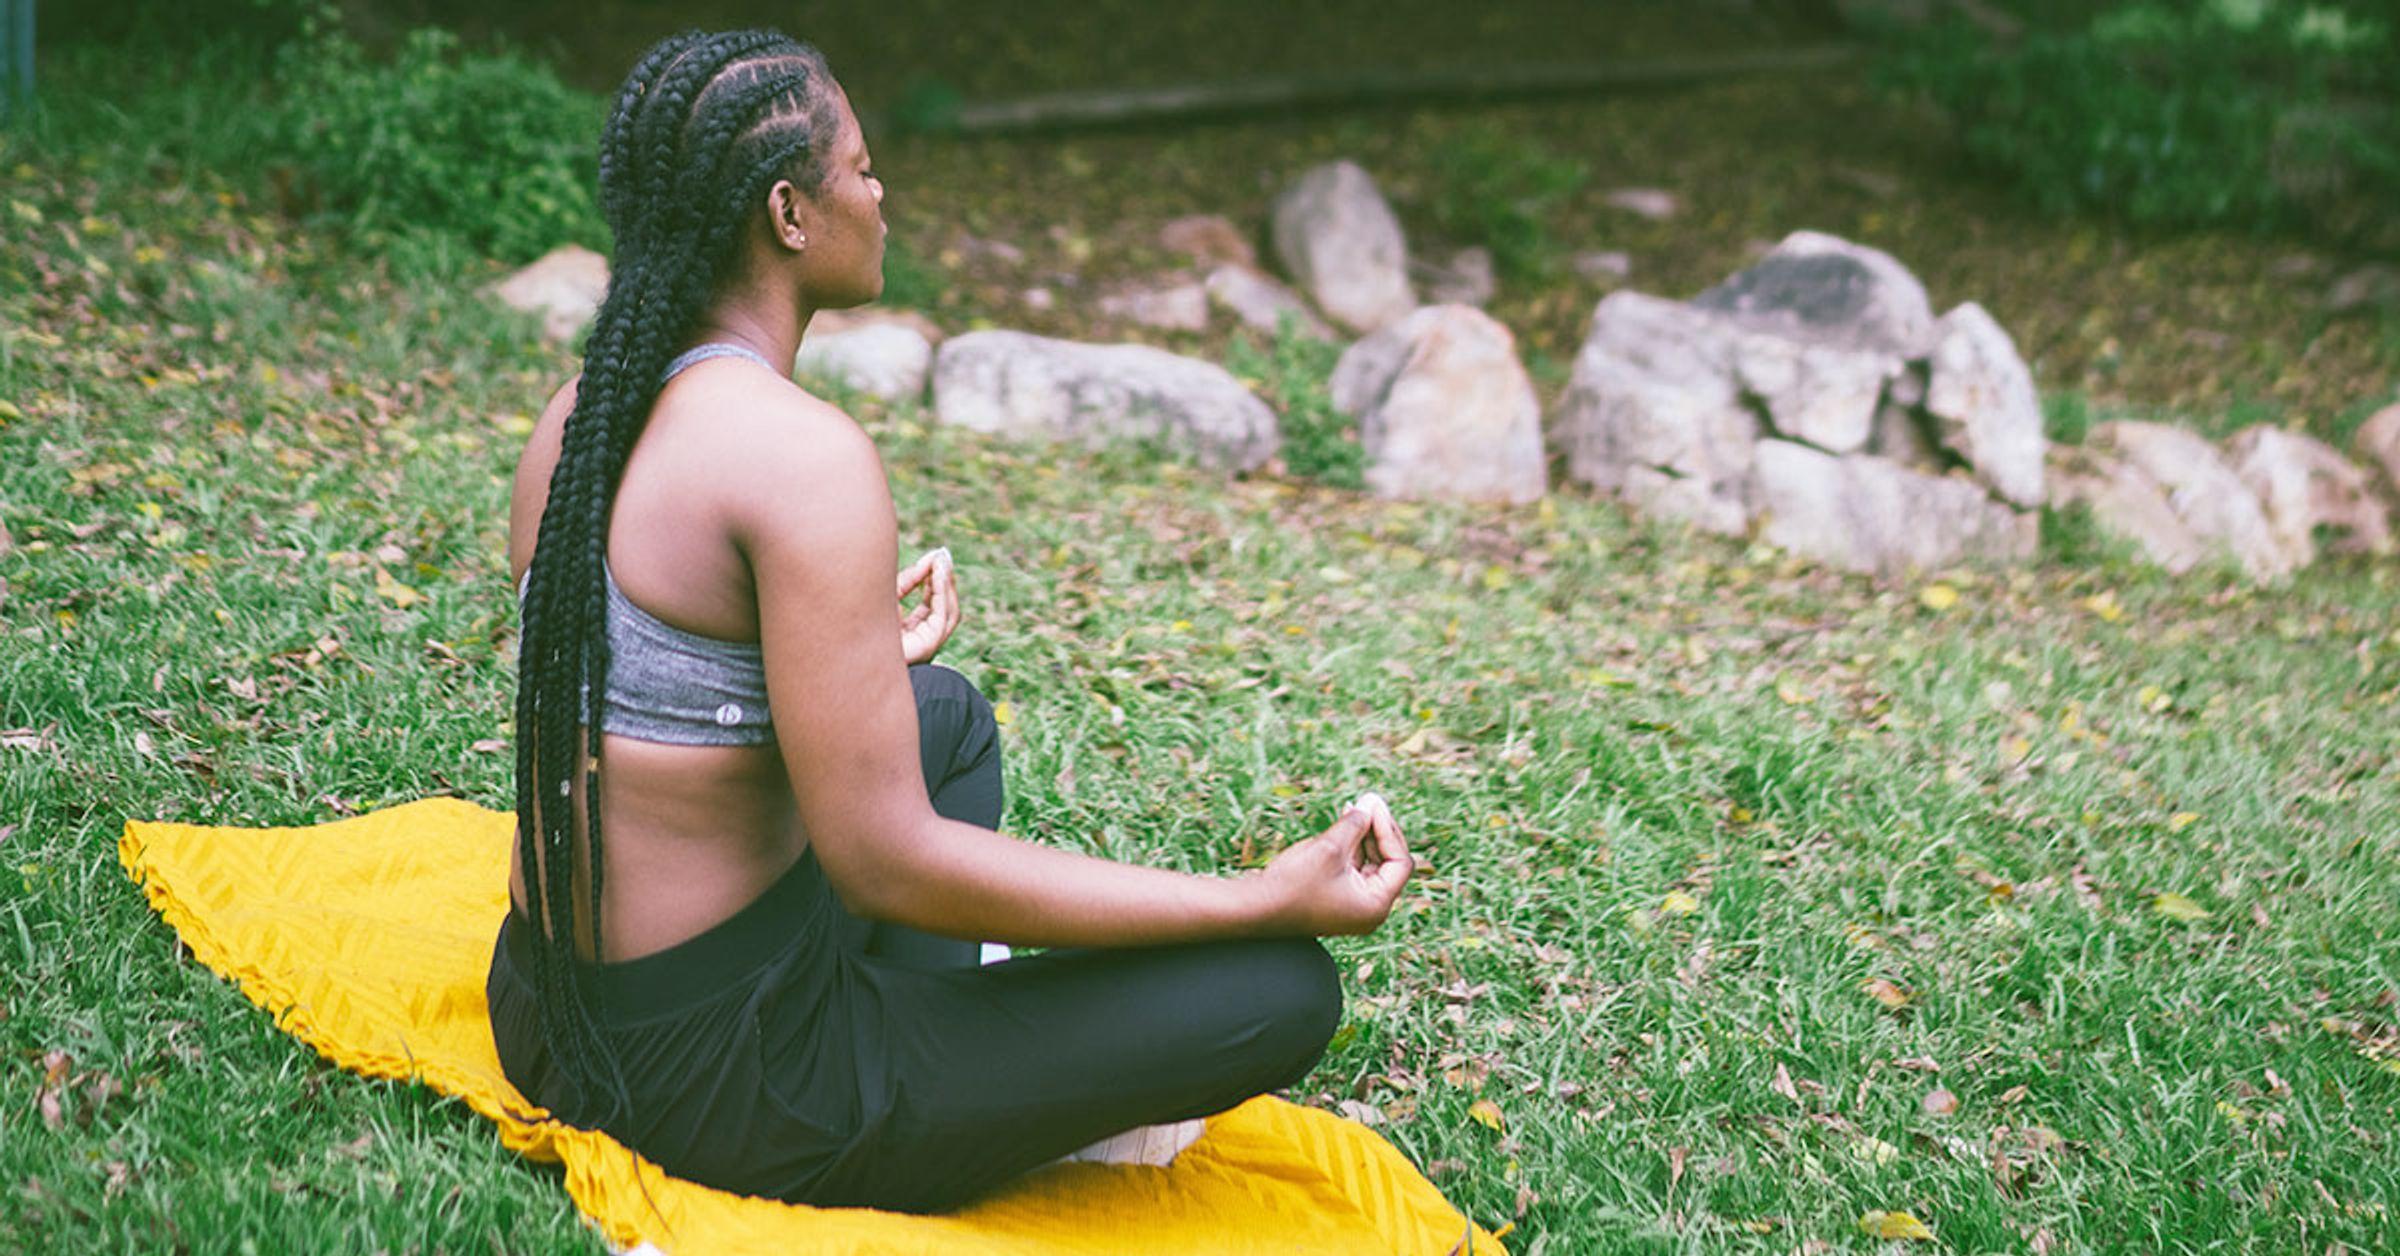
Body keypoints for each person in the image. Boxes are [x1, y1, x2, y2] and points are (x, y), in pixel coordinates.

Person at [484, 28, 1419, 1214]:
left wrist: (842, 654)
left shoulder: (584, 409)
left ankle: (936, 1049)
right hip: (723, 1080)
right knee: (1280, 990)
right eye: (862, 169)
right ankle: (917, 1097)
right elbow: (887, 866)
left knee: (946, 716)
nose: (881, 195)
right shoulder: (800, 457)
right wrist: (1264, 895)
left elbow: (622, 686)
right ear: (787, 212)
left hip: (547, 1005)